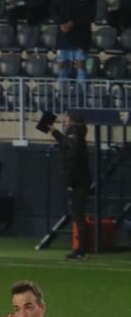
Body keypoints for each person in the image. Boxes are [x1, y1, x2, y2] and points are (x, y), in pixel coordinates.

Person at [48, 112, 91, 261]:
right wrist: (55, 132)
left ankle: (81, 250)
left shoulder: (75, 136)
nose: (64, 122)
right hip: (81, 180)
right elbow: (67, 145)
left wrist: (70, 182)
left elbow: (71, 158)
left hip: (78, 182)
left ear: (71, 120)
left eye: (66, 120)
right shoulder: (77, 136)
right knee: (79, 216)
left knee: (79, 216)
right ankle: (81, 249)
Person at [51, 0, 95, 87]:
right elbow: (53, 10)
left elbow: (91, 14)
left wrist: (73, 23)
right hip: (63, 35)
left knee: (81, 65)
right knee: (62, 66)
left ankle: (82, 95)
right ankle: (63, 94)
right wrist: (61, 23)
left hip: (81, 35)